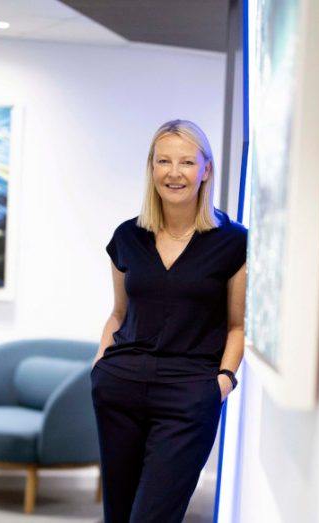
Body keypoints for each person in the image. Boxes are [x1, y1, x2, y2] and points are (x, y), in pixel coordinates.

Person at [91, 119, 248, 523]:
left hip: (188, 395)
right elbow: (119, 313)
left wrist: (223, 381)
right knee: (120, 515)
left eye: (186, 162)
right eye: (163, 161)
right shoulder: (128, 236)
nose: (173, 173)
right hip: (120, 389)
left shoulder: (234, 241)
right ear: (151, 168)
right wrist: (100, 365)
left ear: (206, 170)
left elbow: (237, 325)